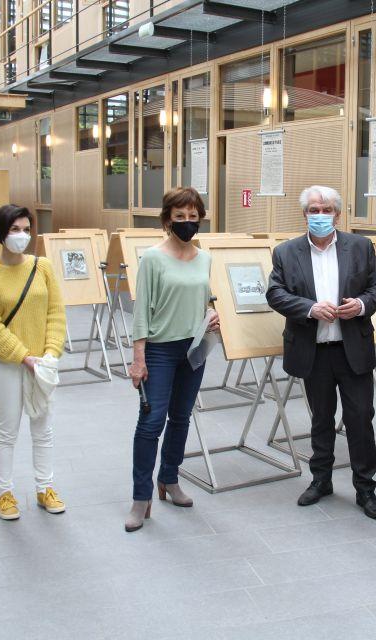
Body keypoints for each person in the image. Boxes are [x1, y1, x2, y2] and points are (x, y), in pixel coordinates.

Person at [266, 185, 376, 519]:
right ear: (304, 215)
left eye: (326, 210)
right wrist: (308, 308)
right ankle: (320, 480)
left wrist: (361, 305)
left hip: (353, 350)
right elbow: (275, 293)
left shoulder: (361, 247)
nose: (320, 216)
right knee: (321, 419)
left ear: (338, 213)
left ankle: (366, 489)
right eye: (313, 210)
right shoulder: (286, 252)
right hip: (313, 350)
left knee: (360, 419)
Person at [126, 187, 219, 532]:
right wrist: (139, 359)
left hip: (194, 348)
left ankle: (170, 479)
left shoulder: (204, 257)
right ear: (167, 220)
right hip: (160, 350)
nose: (187, 222)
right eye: (180, 216)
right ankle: (141, 497)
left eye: (193, 216)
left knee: (181, 418)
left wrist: (212, 314)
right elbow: (141, 313)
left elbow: (204, 299)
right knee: (151, 423)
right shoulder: (152, 258)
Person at [0, 205, 66, 521]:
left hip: (43, 363)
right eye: (15, 229)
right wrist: (22, 356)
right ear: (0, 232)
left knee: (43, 429)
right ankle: (4, 493)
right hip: (8, 365)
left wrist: (51, 353)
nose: (22, 236)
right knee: (8, 431)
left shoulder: (42, 267)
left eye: (26, 229)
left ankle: (45, 487)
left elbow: (56, 312)